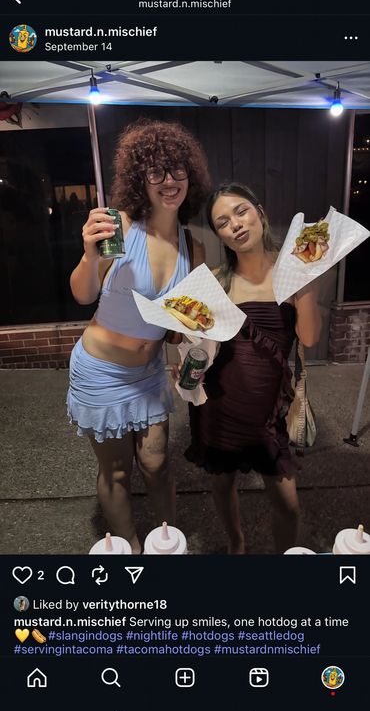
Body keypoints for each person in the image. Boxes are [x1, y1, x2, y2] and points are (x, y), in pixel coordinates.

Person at [67, 119, 211, 553]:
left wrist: (189, 338)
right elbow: (83, 294)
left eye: (177, 170)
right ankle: (129, 550)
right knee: (116, 472)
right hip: (101, 371)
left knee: (156, 462)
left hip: (148, 372)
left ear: (191, 175)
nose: (169, 181)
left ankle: (166, 544)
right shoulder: (119, 226)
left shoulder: (193, 244)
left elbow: (174, 326)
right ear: (139, 177)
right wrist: (90, 255)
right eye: (156, 172)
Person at [179, 182, 322, 555]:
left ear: (259, 212)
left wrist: (306, 286)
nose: (236, 225)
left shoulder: (294, 274)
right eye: (223, 222)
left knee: (288, 503)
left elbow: (307, 337)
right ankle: (236, 546)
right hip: (220, 401)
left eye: (241, 211)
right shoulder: (215, 280)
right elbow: (192, 341)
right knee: (222, 482)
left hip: (267, 406)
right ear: (220, 235)